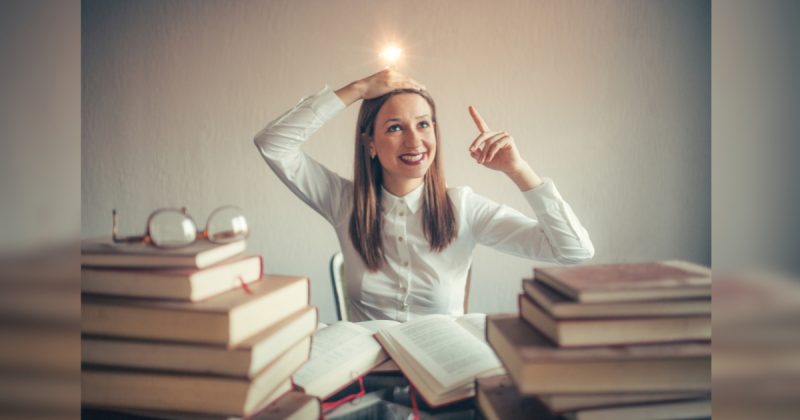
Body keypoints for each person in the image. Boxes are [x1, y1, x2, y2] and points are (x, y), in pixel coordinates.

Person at [254, 69, 594, 322]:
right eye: (395, 127)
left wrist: (518, 170)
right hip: (370, 379)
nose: (414, 142)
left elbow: (573, 251)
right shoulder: (343, 201)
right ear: (370, 143)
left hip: (443, 383)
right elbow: (273, 144)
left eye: (423, 124)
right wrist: (357, 89)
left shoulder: (464, 208)